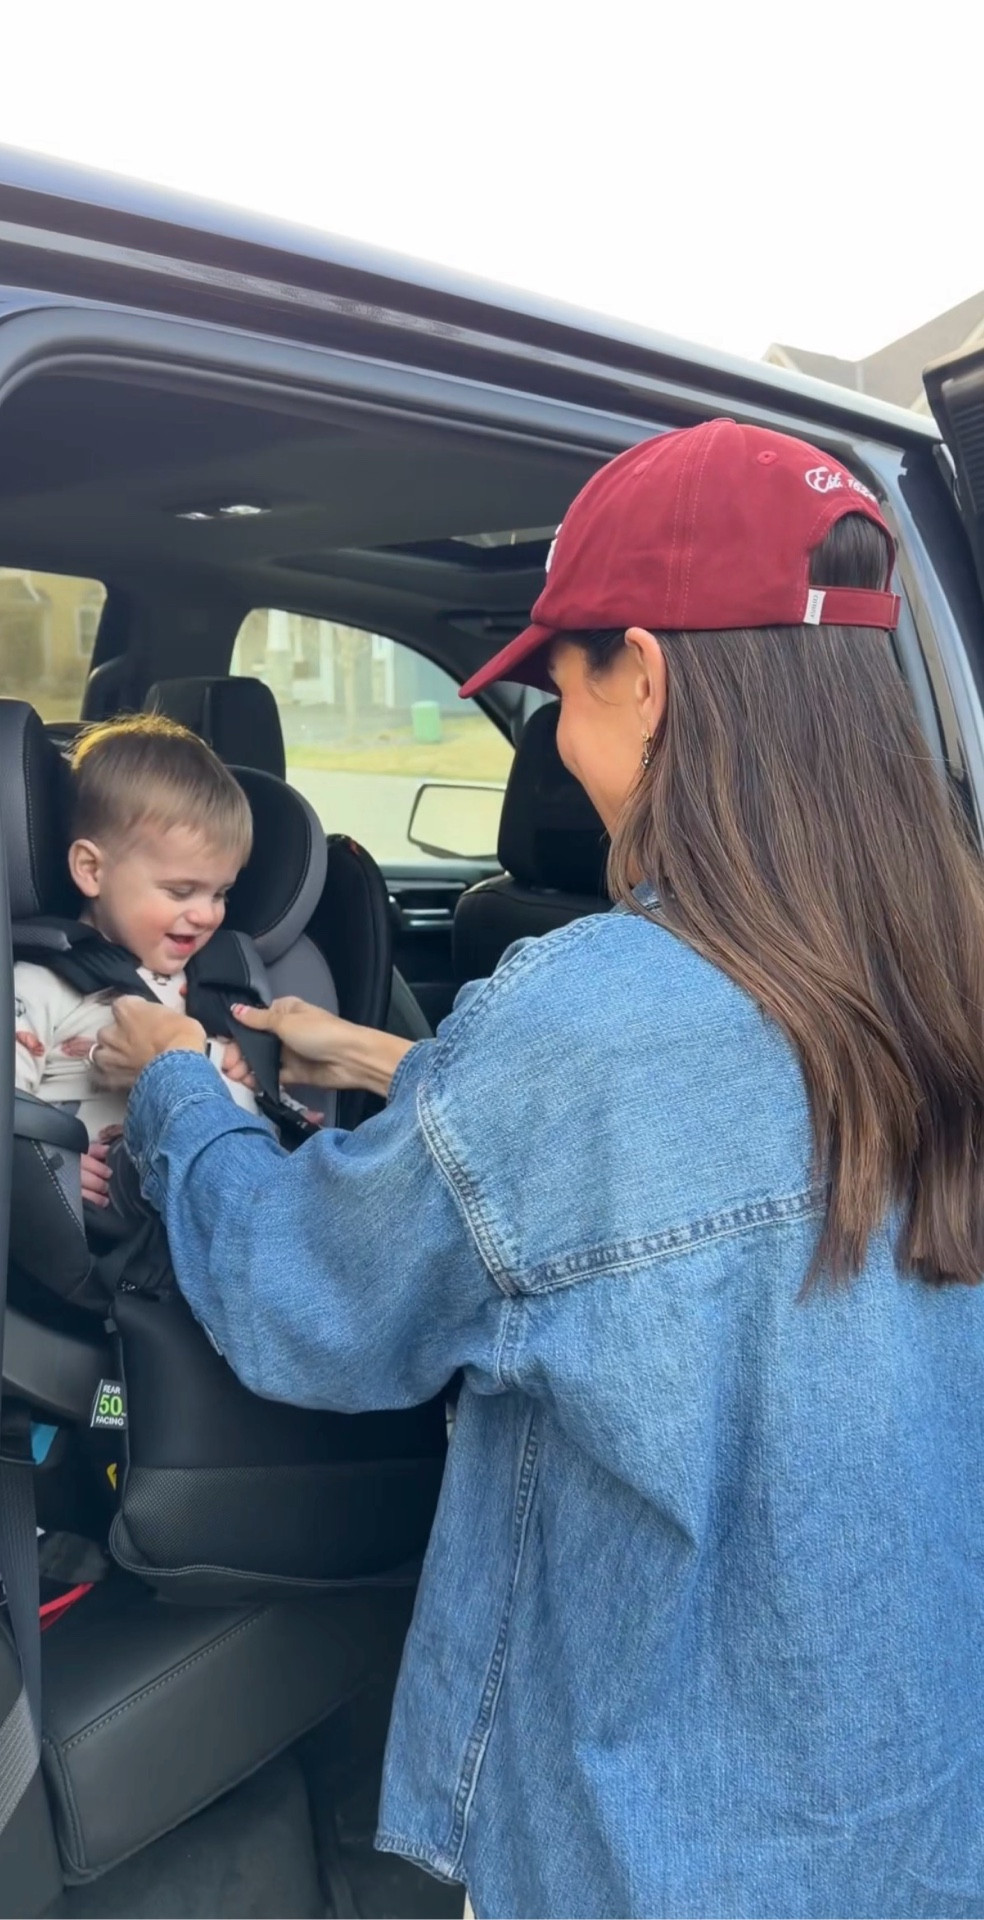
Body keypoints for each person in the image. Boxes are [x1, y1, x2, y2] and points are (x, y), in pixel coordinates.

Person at [92, 420, 984, 1920]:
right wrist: (382, 1060)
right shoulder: (944, 970)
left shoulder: (586, 1021)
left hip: (653, 1851)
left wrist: (180, 1085)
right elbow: (716, 1152)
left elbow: (304, 1301)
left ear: (647, 674)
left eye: (561, 693)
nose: (560, 742)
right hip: (929, 1819)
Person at [13, 712, 259, 1211]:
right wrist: (41, 1163)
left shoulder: (215, 983)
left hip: (220, 1212)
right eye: (181, 891)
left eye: (221, 893)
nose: (207, 914)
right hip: (105, 1232)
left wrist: (256, 1082)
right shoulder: (40, 986)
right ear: (91, 869)